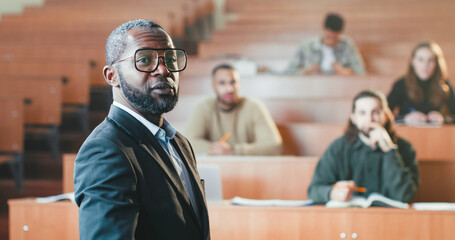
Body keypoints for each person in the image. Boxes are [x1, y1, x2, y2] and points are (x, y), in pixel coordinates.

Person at [73, 20, 210, 240]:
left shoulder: (179, 142)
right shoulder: (104, 150)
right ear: (112, 76)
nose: (164, 69)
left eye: (170, 59)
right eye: (145, 60)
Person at [308, 90, 419, 204]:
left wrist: (389, 150)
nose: (369, 119)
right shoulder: (338, 148)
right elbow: (314, 190)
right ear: (354, 118)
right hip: (348, 218)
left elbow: (405, 195)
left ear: (385, 116)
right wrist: (333, 193)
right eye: (362, 113)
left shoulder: (405, 148)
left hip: (391, 218)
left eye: (375, 112)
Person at [185, 64, 283, 155]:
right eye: (222, 83)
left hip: (246, 167)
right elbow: (188, 142)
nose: (229, 89)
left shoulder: (254, 107)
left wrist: (233, 150)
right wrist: (217, 149)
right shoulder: (203, 107)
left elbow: (274, 145)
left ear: (239, 84)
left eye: (233, 82)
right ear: (213, 86)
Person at [387, 41, 455, 124]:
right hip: (406, 132)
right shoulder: (400, 84)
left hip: (437, 134)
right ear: (413, 61)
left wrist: (444, 119)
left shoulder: (444, 85)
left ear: (436, 63)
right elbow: (384, 114)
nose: (425, 65)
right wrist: (405, 118)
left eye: (430, 60)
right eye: (421, 59)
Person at [285, 13, 366, 75]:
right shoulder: (307, 45)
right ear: (323, 29)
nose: (331, 39)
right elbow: (288, 72)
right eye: (328, 36)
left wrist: (344, 71)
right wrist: (306, 70)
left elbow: (362, 72)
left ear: (340, 34)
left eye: (334, 37)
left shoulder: (347, 45)